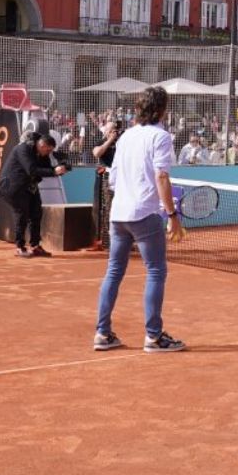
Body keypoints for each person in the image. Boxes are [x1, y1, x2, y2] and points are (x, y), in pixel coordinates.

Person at [95, 86, 187, 353]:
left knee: (114, 271)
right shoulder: (161, 136)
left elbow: (113, 178)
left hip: (118, 215)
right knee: (156, 271)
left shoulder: (126, 137)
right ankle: (154, 337)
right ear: (162, 110)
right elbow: (161, 176)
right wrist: (172, 215)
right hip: (144, 214)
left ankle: (102, 333)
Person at [0, 132, 69, 257]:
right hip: (13, 187)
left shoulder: (42, 153)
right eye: (48, 150)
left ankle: (35, 246)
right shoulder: (23, 149)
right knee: (22, 215)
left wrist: (61, 167)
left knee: (36, 214)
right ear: (42, 145)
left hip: (29, 186)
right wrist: (54, 171)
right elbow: (31, 170)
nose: (49, 153)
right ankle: (20, 247)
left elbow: (47, 168)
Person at [88, 116, 123, 252]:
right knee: (109, 208)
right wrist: (110, 140)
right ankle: (108, 242)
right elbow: (97, 153)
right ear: (106, 131)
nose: (114, 132)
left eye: (115, 130)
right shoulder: (101, 141)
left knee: (123, 208)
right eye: (111, 130)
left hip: (122, 178)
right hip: (107, 178)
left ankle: (124, 240)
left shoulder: (122, 142)